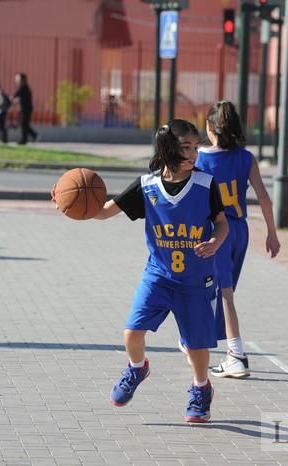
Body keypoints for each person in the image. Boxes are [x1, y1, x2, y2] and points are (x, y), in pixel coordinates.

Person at [94, 119, 229, 423]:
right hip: (158, 275)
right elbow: (103, 212)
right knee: (132, 333)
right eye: (186, 148)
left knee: (196, 346)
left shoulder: (206, 184)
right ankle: (137, 367)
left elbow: (222, 222)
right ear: (168, 149)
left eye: (196, 147)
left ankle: (201, 388)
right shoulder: (147, 185)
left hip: (196, 279)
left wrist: (215, 242)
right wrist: (72, 205)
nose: (194, 153)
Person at [191, 100, 281, 378]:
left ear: (208, 127)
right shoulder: (245, 158)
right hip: (240, 231)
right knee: (219, 290)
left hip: (216, 232)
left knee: (222, 294)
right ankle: (200, 337)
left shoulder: (200, 159)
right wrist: (272, 233)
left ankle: (236, 354)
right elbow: (264, 197)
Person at [13, 73, 37, 144]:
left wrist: (13, 99)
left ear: (23, 80)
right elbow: (16, 97)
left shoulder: (24, 88)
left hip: (26, 109)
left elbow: (16, 96)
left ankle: (25, 139)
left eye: (18, 79)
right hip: (23, 109)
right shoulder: (22, 88)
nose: (16, 81)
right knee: (23, 124)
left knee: (23, 123)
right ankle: (31, 136)